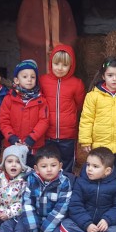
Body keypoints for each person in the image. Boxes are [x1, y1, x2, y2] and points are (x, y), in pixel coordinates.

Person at [0, 146, 72, 232]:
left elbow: (61, 209)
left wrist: (45, 231)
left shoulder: (65, 183)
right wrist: (32, 228)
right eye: (44, 166)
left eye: (53, 165)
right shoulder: (31, 179)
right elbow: (28, 204)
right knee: (22, 223)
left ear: (60, 166)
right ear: (36, 168)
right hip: (35, 216)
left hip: (54, 221)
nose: (49, 169)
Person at [59, 148, 116, 232]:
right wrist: (87, 224)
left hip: (103, 227)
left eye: (95, 166)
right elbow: (75, 205)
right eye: (88, 165)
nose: (89, 169)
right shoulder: (81, 182)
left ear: (107, 171)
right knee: (65, 224)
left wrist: (107, 220)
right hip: (83, 224)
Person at [16, 0, 77, 73]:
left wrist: (61, 47)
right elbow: (22, 33)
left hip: (60, 59)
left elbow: (72, 34)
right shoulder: (29, 2)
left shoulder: (64, 5)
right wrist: (47, 44)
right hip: (38, 58)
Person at [39, 44, 86, 173]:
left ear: (71, 65)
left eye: (65, 65)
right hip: (47, 133)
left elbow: (79, 105)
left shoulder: (76, 84)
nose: (60, 68)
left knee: (67, 163)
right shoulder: (43, 81)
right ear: (51, 63)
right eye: (56, 64)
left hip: (68, 135)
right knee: (48, 163)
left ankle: (67, 184)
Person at [0, 59, 49, 164]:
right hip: (14, 145)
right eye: (25, 77)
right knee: (15, 170)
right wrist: (11, 137)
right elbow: (3, 120)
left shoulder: (41, 100)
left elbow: (44, 121)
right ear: (17, 80)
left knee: (33, 170)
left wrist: (32, 138)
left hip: (34, 145)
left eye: (33, 77)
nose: (29, 79)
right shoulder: (9, 99)